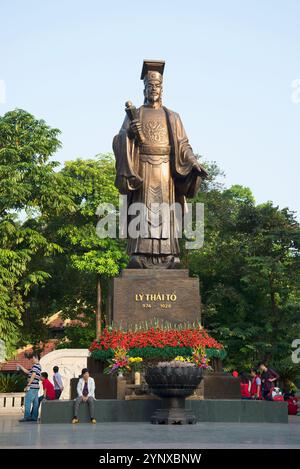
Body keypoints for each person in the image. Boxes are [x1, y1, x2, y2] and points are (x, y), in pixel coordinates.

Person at [17, 354, 41, 422]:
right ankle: (34, 417)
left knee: (27, 401)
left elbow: (33, 375)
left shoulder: (35, 366)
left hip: (32, 387)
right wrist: (21, 366)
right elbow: (28, 372)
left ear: (36, 358)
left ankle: (27, 417)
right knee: (35, 402)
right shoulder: (37, 366)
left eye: (33, 358)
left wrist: (28, 385)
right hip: (36, 387)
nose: (32, 359)